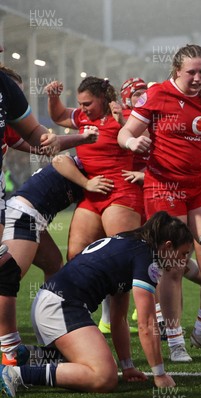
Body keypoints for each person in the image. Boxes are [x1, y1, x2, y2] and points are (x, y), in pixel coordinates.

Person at [118, 44, 201, 359]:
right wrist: (133, 140)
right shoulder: (157, 94)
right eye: (192, 72)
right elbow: (126, 131)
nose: (198, 77)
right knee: (172, 266)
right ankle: (174, 341)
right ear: (176, 71)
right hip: (163, 187)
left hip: (200, 188)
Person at [0, 211, 193, 397]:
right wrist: (159, 374)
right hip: (61, 307)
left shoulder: (131, 245)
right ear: (167, 246)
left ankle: (29, 356)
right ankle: (16, 375)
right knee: (104, 377)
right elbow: (146, 323)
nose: (184, 261)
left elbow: (119, 318)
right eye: (183, 254)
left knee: (88, 361)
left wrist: (127, 366)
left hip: (53, 303)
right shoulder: (147, 257)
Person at [45, 77, 144, 337]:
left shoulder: (123, 115)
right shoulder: (82, 118)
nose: (83, 108)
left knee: (120, 261)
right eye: (80, 104)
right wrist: (53, 97)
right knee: (76, 255)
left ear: (103, 98)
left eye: (88, 103)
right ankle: (81, 315)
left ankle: (119, 321)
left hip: (120, 192)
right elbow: (58, 116)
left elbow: (151, 136)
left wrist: (123, 121)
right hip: (91, 192)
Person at [0, 58, 66, 368]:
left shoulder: (7, 101)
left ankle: (15, 349)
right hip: (21, 208)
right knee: (7, 272)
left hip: (7, 203)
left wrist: (81, 137)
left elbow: (42, 142)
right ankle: (11, 351)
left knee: (44, 263)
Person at [2, 155, 112, 284]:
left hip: (31, 218)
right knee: (7, 281)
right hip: (23, 215)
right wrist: (86, 183)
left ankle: (49, 304)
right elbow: (59, 160)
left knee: (54, 265)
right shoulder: (85, 162)